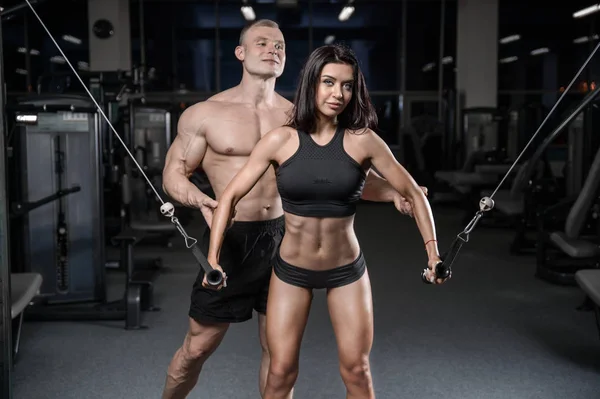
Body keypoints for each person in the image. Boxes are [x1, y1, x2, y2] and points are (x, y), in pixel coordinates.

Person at [161, 20, 424, 399]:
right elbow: (174, 175)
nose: (273, 49)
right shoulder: (204, 114)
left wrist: (396, 193)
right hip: (233, 239)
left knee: (278, 355)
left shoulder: (299, 118)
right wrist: (198, 198)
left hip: (284, 240)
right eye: (262, 42)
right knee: (197, 347)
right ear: (241, 53)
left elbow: (338, 177)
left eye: (280, 45)